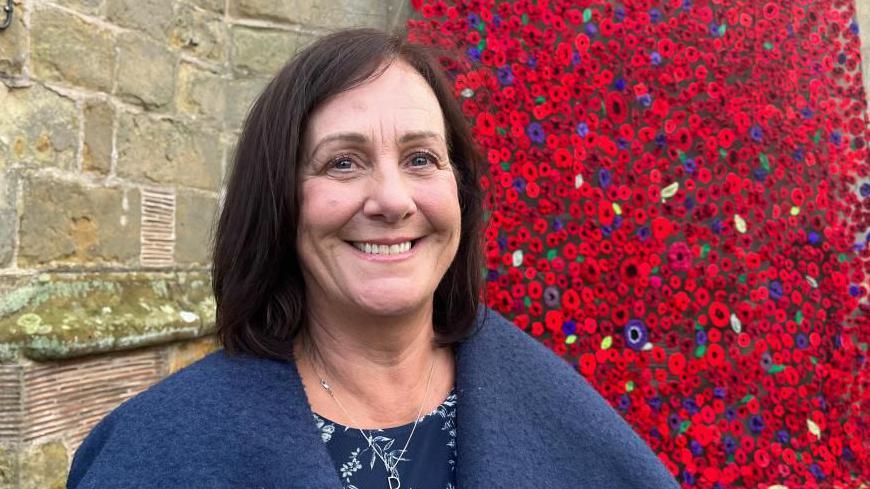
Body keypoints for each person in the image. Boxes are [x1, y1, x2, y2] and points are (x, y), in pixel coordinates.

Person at [67, 28, 679, 489]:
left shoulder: (558, 410)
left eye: (420, 159)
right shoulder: (159, 448)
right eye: (342, 162)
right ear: (279, 200)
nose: (392, 200)